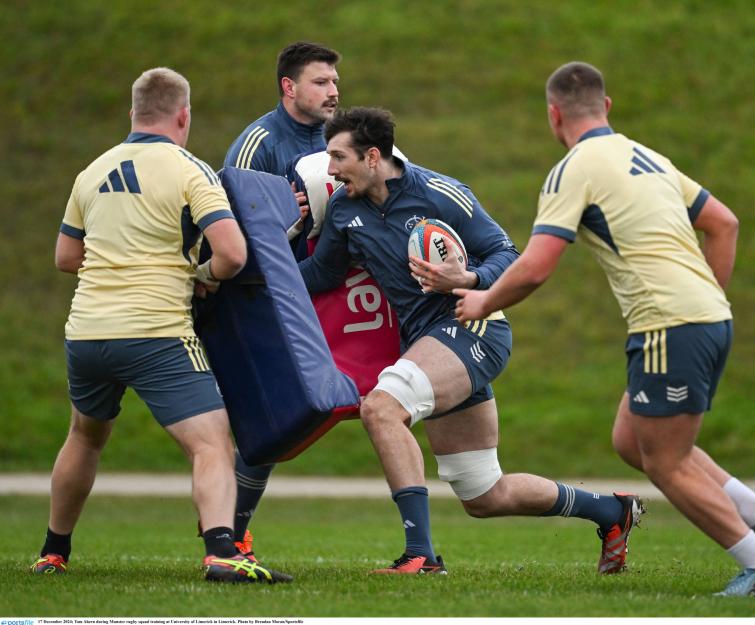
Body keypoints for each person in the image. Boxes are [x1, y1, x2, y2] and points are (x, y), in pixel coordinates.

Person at [454, 61, 755, 596]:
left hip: (670, 325)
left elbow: (538, 264)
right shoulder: (648, 157)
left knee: (665, 461)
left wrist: (484, 300)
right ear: (606, 107)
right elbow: (723, 223)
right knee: (630, 439)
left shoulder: (574, 169)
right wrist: (707, 298)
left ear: (553, 115)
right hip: (704, 316)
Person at [300, 106, 645, 575]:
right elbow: (322, 274)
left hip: (472, 327)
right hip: (429, 346)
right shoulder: (343, 208)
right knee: (483, 493)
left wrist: (469, 277)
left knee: (381, 408)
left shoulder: (440, 193)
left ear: (373, 156)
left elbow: (507, 253)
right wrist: (256, 275)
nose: (331, 169)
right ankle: (611, 512)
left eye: (339, 157)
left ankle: (420, 556)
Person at [31, 67, 291, 584]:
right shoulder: (189, 170)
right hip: (155, 331)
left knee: (84, 436)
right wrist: (200, 275)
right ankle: (222, 551)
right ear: (184, 115)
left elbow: (66, 257)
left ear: (133, 113)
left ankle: (53, 553)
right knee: (212, 444)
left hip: (86, 331)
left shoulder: (92, 171)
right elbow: (233, 255)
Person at [221, 41, 341, 560]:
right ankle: (232, 534)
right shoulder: (258, 144)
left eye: (335, 81)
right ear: (288, 87)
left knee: (388, 407)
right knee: (268, 424)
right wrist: (272, 217)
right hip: (271, 301)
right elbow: (226, 228)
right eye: (321, 82)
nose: (333, 91)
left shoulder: (344, 138)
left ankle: (419, 545)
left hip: (331, 290)